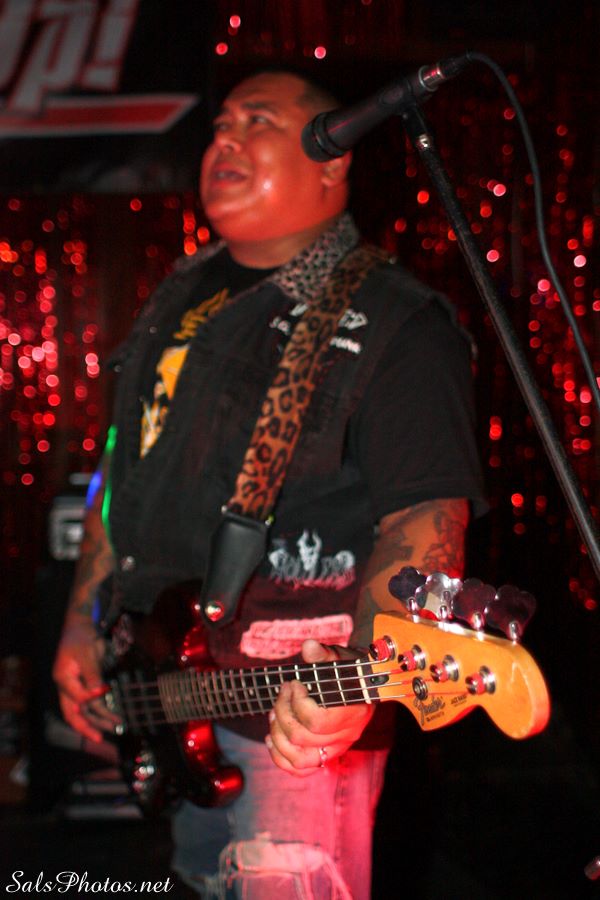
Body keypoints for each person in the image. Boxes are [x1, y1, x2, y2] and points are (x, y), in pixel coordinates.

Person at [53, 70, 485, 898]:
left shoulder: (396, 321)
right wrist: (84, 618)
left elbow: (426, 518)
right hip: (176, 693)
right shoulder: (185, 291)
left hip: (296, 722)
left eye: (260, 121)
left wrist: (365, 672)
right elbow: (124, 465)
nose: (226, 137)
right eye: (221, 123)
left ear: (333, 160)